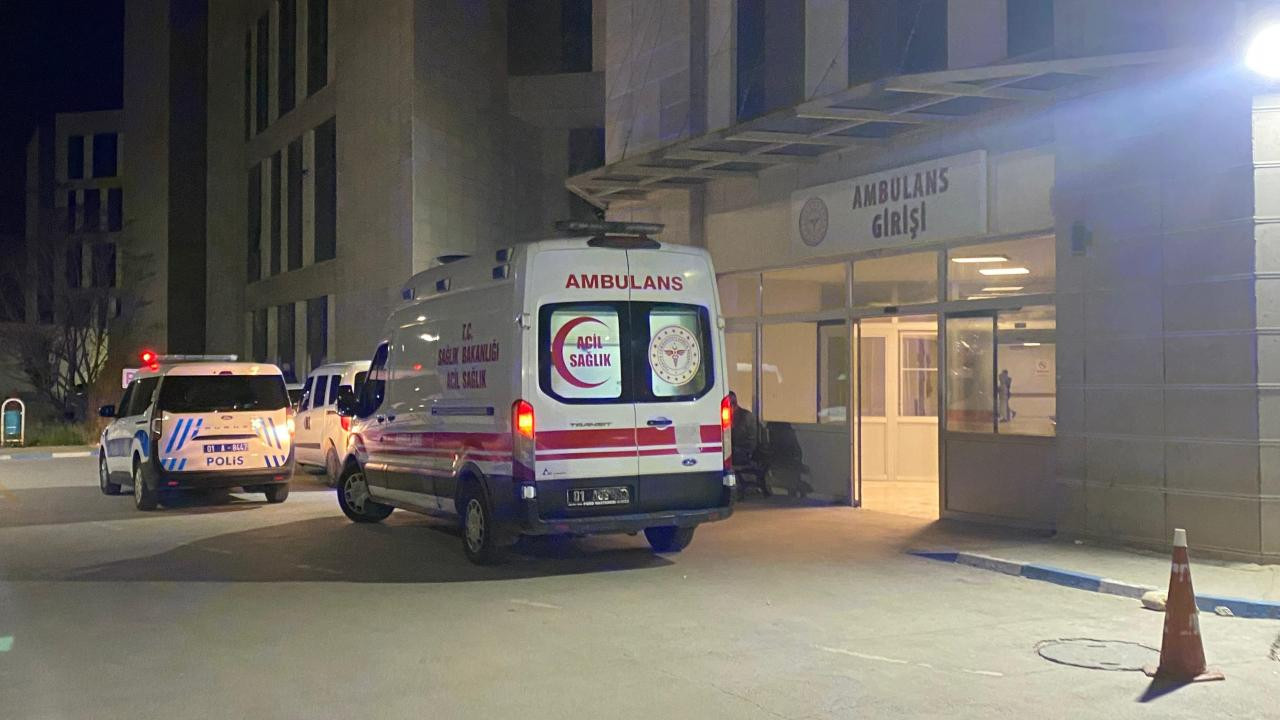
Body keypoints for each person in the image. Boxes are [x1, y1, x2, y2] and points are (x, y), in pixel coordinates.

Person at [729, 391, 770, 497]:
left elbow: (751, 441)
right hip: (738, 450)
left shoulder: (746, 417)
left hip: (746, 453)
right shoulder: (733, 417)